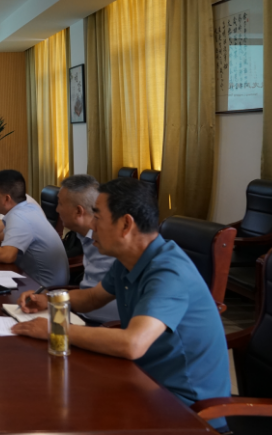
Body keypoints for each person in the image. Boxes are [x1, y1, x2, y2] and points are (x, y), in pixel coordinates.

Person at [13, 178, 231, 431]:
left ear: (126, 224)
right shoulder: (128, 260)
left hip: (186, 409)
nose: (91, 225)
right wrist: (48, 300)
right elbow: (92, 298)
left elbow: (133, 344)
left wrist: (55, 329)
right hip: (142, 381)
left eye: (97, 217)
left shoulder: (169, 272)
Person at [56, 174, 118, 323]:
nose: (57, 210)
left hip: (104, 324)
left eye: (60, 204)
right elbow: (91, 296)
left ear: (78, 211)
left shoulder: (112, 244)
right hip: (81, 311)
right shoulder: (82, 234)